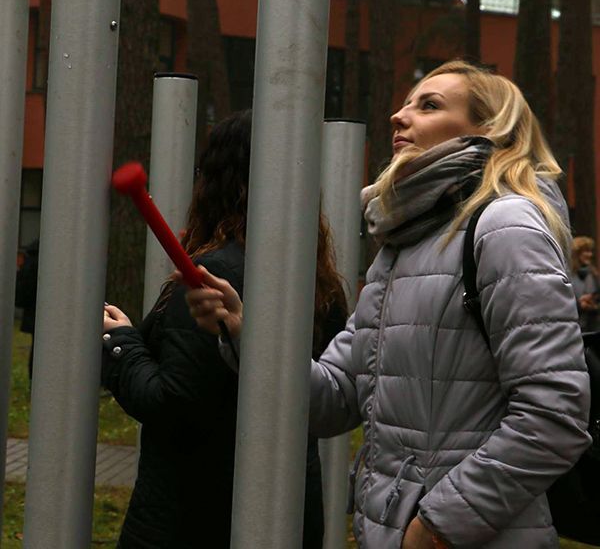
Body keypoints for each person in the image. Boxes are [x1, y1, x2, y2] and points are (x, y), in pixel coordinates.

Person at [185, 61, 591, 549]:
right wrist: (242, 332)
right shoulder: (404, 242)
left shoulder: (507, 225)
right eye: (405, 103)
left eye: (429, 105)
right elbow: (333, 399)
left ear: (489, 129)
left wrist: (436, 528)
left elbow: (555, 415)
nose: (398, 116)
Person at [101, 109, 347, 549]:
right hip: (284, 515)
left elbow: (174, 404)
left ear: (217, 181)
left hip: (193, 518)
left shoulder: (213, 276)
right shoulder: (314, 276)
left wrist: (119, 345)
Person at [15, 238, 39, 381]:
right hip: (36, 312)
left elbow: (22, 292)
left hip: (34, 313)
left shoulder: (31, 260)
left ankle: (34, 380)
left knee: (37, 349)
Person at [570, 235, 600, 332]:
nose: (590, 254)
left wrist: (594, 306)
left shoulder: (594, 274)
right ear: (576, 254)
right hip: (575, 328)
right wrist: (579, 304)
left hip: (593, 327)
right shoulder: (568, 275)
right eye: (586, 251)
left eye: (590, 251)